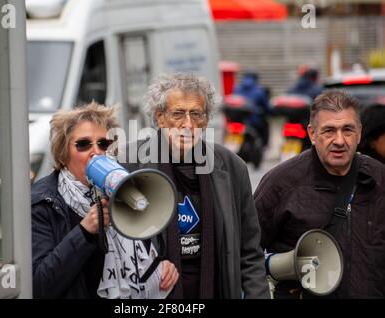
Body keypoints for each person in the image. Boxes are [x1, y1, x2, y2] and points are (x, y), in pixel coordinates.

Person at [119, 72, 270, 299]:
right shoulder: (129, 163)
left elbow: (249, 252)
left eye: (196, 114)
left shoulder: (232, 167)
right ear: (160, 117)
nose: (187, 124)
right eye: (178, 113)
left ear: (206, 120)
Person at [31, 102, 178, 298]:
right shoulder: (44, 202)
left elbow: (142, 251)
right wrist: (84, 232)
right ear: (63, 154)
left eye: (103, 144)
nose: (96, 152)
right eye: (83, 144)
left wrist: (160, 267)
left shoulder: (125, 189)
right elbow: (39, 286)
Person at [254, 90, 385, 298]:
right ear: (312, 134)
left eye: (347, 130)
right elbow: (244, 253)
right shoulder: (280, 183)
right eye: (329, 131)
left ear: (359, 132)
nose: (339, 140)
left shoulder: (380, 179)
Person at [233, 71, 271, 147]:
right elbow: (266, 107)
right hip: (253, 121)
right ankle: (263, 146)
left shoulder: (237, 88)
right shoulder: (259, 91)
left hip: (236, 120)